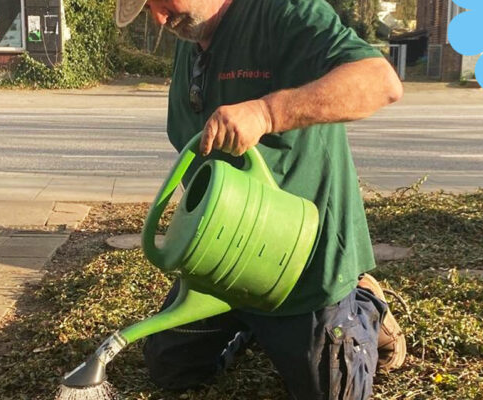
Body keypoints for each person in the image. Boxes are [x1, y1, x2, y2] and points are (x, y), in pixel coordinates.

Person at [114, 0, 405, 398]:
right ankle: (252, 323)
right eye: (148, 9)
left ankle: (365, 303)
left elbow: (380, 82)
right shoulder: (191, 35)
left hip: (302, 263)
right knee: (170, 366)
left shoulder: (284, 11)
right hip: (224, 253)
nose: (159, 20)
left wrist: (266, 113)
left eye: (160, 2)